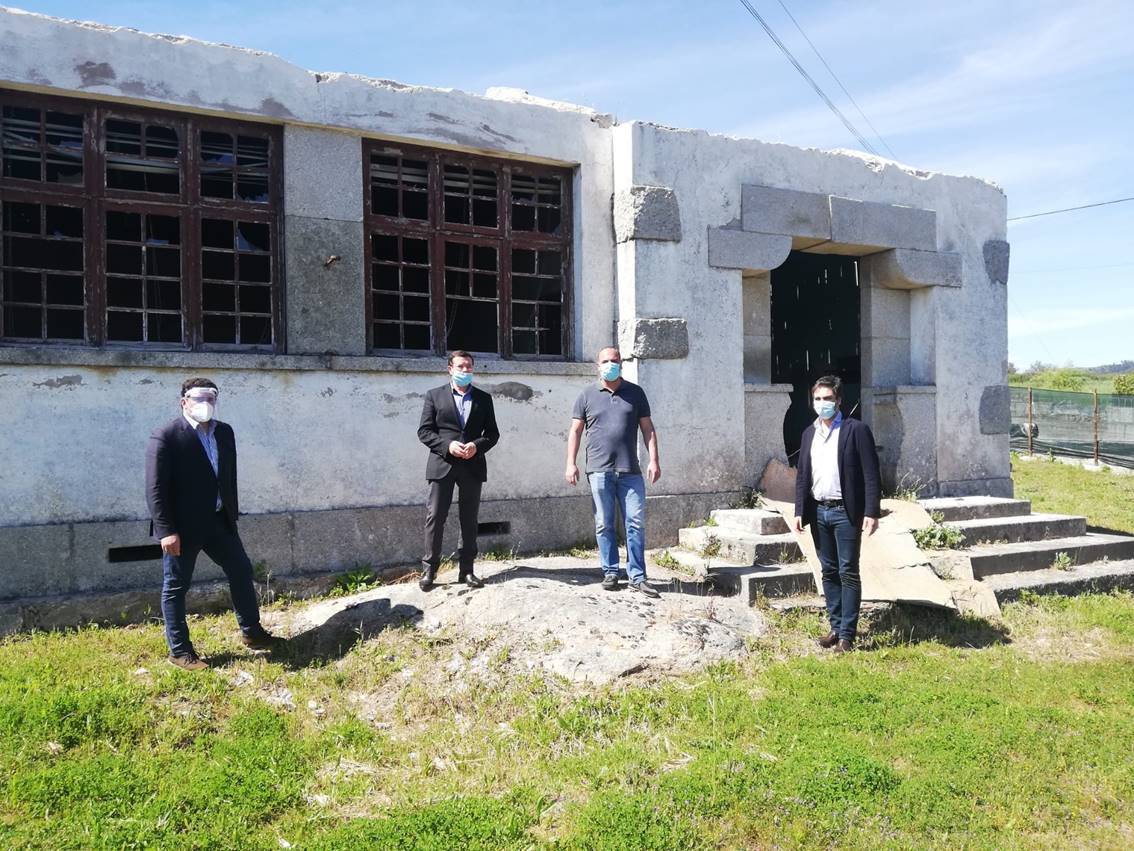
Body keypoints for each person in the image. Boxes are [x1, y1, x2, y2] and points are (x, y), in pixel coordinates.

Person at [145, 378, 279, 671]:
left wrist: (231, 512)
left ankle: (252, 632)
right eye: (198, 398)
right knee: (176, 586)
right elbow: (155, 488)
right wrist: (166, 531)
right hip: (183, 528)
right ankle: (180, 651)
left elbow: (227, 477)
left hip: (219, 522)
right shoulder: (166, 436)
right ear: (184, 402)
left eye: (210, 398)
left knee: (241, 570)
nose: (205, 404)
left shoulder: (224, 432)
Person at [792, 375, 881, 652]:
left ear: (839, 400)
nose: (823, 403)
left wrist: (872, 511)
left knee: (848, 571)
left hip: (846, 513)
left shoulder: (856, 430)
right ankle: (835, 626)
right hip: (819, 511)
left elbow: (871, 474)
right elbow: (803, 475)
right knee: (828, 571)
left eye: (828, 398)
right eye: (818, 399)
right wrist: (799, 509)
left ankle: (847, 636)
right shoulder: (809, 434)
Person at [565, 346, 661, 597]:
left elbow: (648, 429)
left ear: (621, 364)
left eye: (615, 360)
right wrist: (570, 463)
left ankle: (637, 576)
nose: (611, 364)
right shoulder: (587, 395)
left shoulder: (635, 393)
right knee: (604, 523)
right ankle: (610, 571)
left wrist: (654, 460)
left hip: (630, 471)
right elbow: (575, 431)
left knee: (635, 522)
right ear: (598, 366)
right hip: (599, 470)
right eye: (606, 361)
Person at [417, 350, 500, 591]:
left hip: (472, 466)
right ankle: (429, 570)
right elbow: (424, 431)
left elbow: (492, 434)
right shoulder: (434, 396)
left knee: (469, 518)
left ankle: (467, 570)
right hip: (442, 464)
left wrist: (476, 446)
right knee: (435, 517)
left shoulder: (483, 398)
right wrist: (447, 446)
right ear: (450, 369)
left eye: (469, 367)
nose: (465, 371)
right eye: (461, 367)